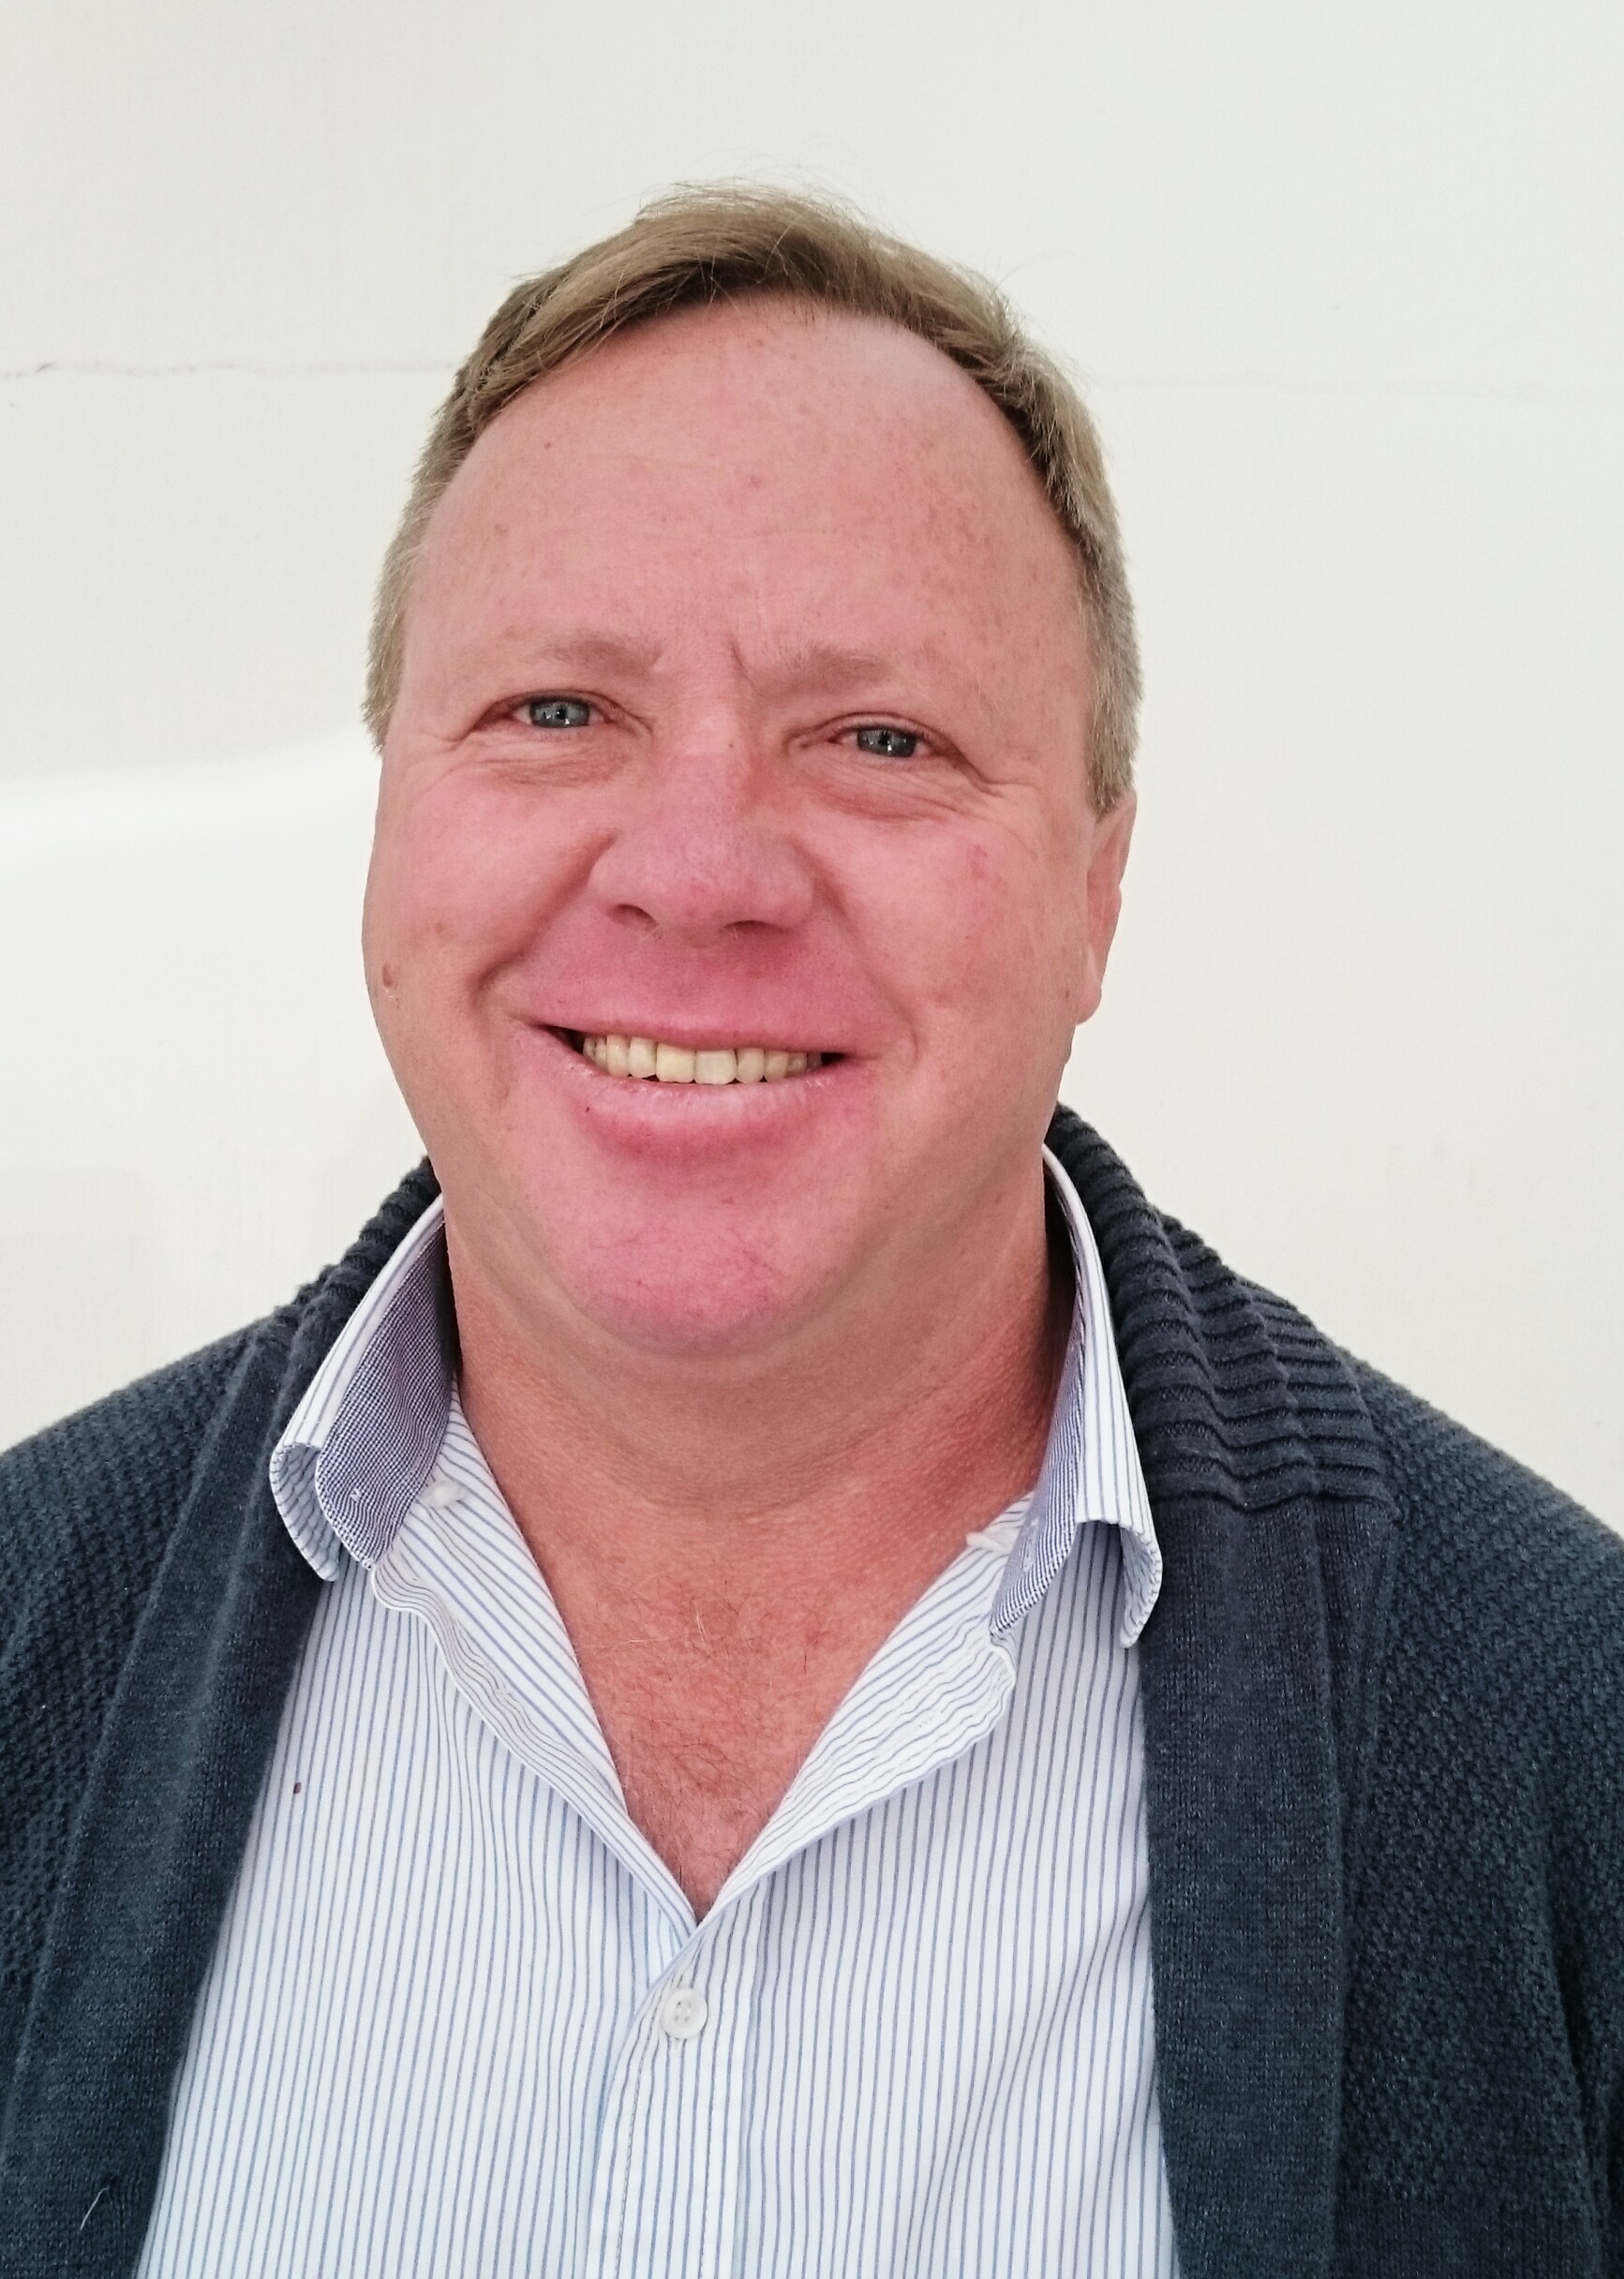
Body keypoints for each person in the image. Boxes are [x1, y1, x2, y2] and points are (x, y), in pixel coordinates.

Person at [1, 186, 1619, 2279]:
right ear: (393, 808)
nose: (695, 871)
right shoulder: (29, 1639)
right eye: (556, 710)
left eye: (880, 739)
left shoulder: (1564, 1746)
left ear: (1098, 892)